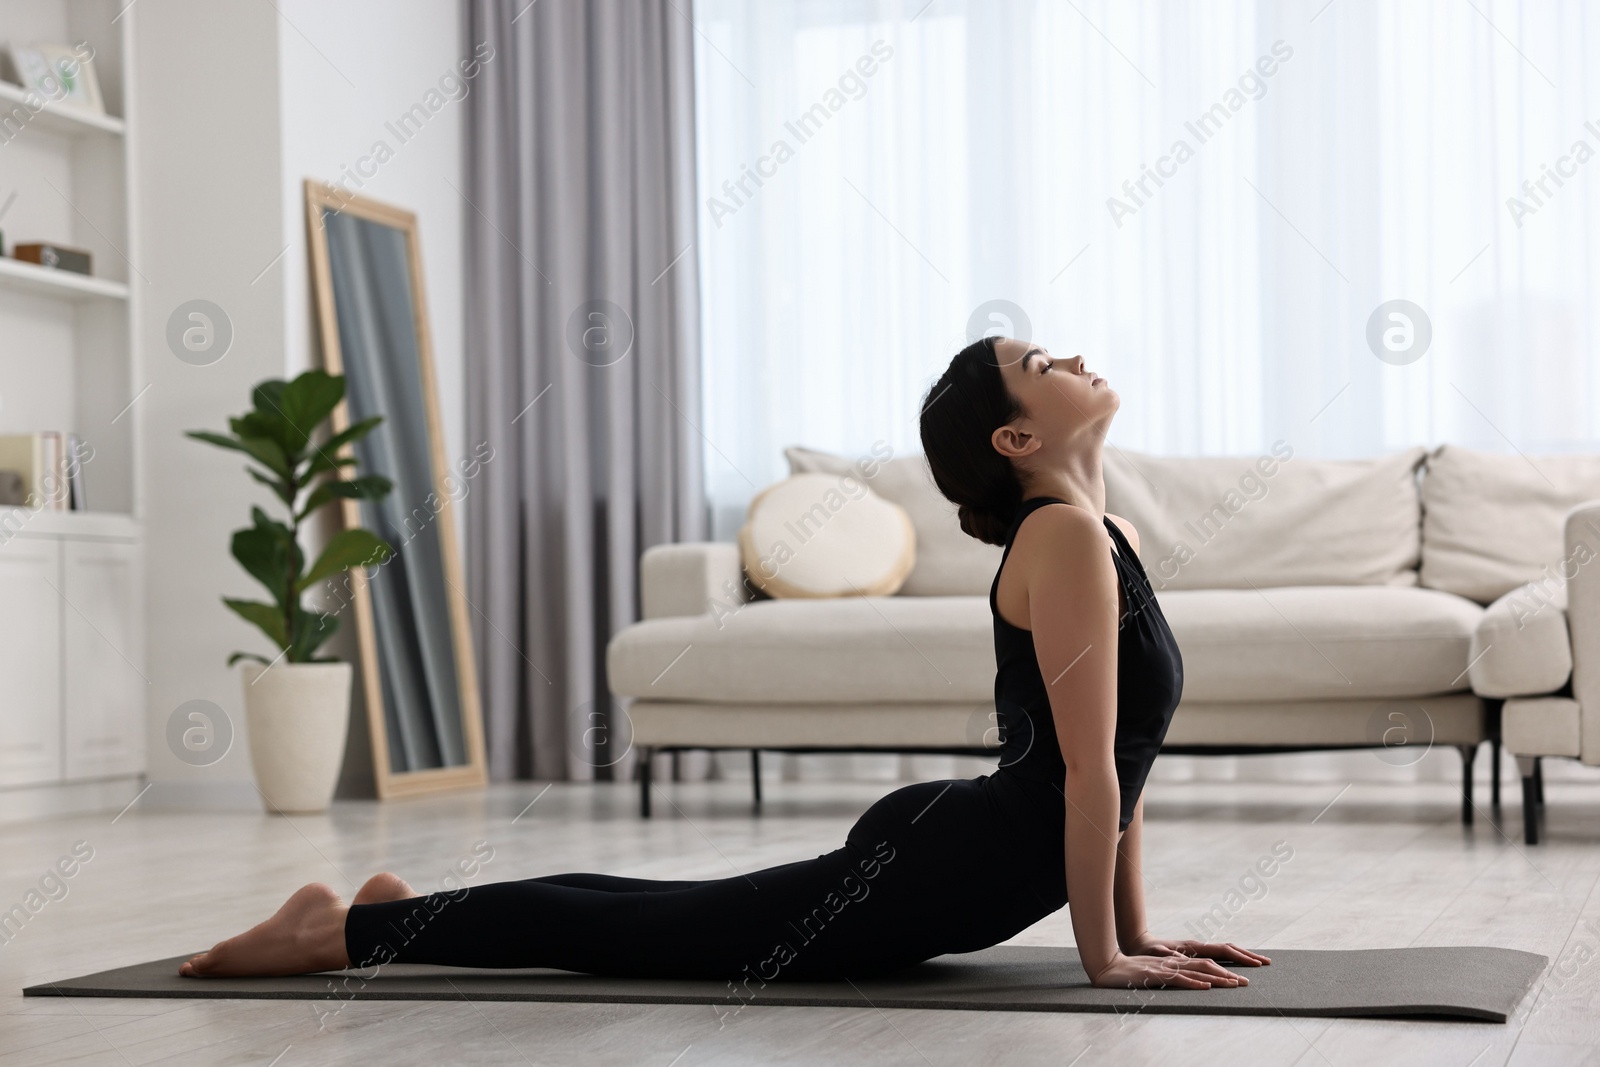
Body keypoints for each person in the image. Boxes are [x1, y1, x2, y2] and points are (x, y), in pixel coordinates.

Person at [178, 335, 1269, 990]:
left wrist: (1133, 931)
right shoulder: (1066, 537)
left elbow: (1119, 765)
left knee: (663, 913)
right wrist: (1104, 962)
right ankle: (338, 929)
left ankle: (396, 908)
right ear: (1016, 440)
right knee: (648, 929)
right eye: (1042, 363)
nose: (1074, 358)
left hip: (970, 848)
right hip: (952, 863)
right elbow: (1087, 775)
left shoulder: (1096, 528)